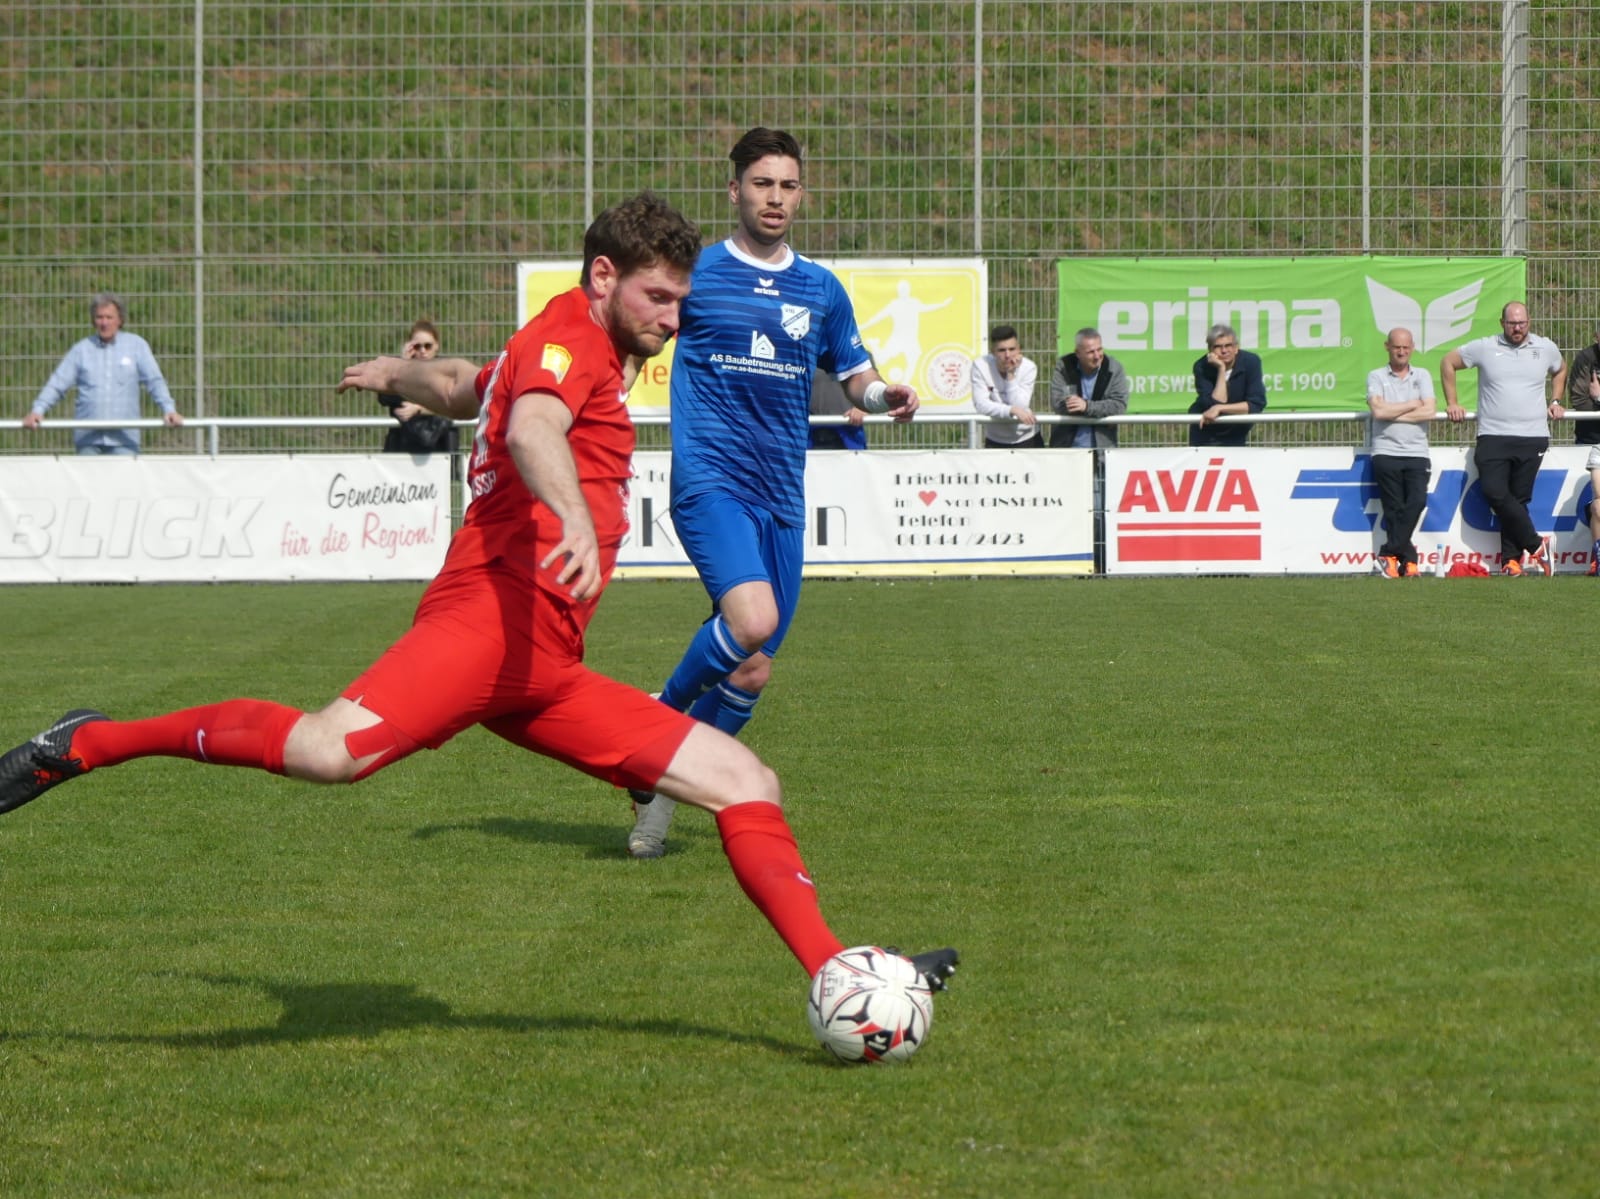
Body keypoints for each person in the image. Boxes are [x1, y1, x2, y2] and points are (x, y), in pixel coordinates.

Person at [0, 192, 958, 1005]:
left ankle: (839, 974)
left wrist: (395, 373)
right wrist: (573, 518)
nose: (674, 317)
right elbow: (535, 424)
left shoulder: (563, 340)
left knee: (746, 783)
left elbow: (469, 384)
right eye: (659, 298)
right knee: (329, 753)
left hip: (544, 669)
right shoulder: (571, 347)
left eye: (680, 299)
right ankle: (84, 742)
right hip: (484, 626)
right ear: (602, 279)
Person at [625, 128, 919, 860]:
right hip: (710, 480)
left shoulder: (820, 288)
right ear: (735, 191)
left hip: (782, 494)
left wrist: (885, 396)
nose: (776, 198)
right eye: (762, 184)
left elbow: (856, 376)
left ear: (801, 192)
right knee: (751, 620)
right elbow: (632, 338)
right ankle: (648, 731)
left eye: (788, 185)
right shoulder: (695, 273)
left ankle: (661, 786)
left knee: (752, 665)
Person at [1442, 301, 1566, 576]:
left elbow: (1560, 369)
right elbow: (1448, 362)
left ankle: (1511, 561)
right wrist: (1452, 402)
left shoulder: (1544, 347)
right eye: (1512, 323)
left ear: (1529, 321)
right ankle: (1537, 545)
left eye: (1521, 322)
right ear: (1502, 323)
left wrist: (1556, 399)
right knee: (1495, 493)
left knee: (1518, 500)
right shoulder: (1485, 347)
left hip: (1532, 436)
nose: (1517, 328)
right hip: (1493, 435)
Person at [24, 291, 183, 454]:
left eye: (109, 317)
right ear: (93, 320)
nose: (104, 322)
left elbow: (154, 381)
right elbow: (57, 383)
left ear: (120, 320)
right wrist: (38, 410)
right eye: (99, 317)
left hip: (124, 440)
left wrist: (168, 409)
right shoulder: (81, 350)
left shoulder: (137, 346)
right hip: (88, 440)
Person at [1365, 327, 1436, 578]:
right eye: (1397, 347)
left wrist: (1394, 411)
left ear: (1413, 348)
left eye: (1406, 347)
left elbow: (1429, 412)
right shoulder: (1376, 376)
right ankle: (1407, 563)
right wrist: (1411, 405)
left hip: (1417, 451)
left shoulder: (1423, 375)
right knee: (1394, 509)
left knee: (1417, 502)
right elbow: (1379, 413)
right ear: (1388, 347)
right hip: (1385, 450)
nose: (1402, 352)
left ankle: (1387, 554)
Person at [379, 319, 455, 454]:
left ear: (436, 346)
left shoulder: (447, 372)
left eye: (428, 346)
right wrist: (403, 364)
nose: (423, 351)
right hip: (404, 447)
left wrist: (419, 408)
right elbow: (384, 397)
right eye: (417, 346)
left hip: (439, 449)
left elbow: (453, 402)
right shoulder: (402, 371)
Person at [1047, 326, 1129, 448]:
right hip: (1066, 448)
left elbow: (1119, 405)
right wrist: (1099, 411)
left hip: (1102, 450)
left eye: (1099, 349)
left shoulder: (1114, 368)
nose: (1097, 356)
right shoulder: (1064, 366)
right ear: (1078, 353)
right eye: (1090, 352)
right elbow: (1058, 403)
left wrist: (1086, 406)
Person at [1188, 323, 1266, 446]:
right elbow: (1216, 402)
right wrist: (1221, 369)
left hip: (1236, 434)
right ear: (1210, 350)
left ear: (1236, 348)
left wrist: (1219, 409)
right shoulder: (1201, 366)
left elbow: (1256, 404)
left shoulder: (1251, 362)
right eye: (1218, 347)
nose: (1224, 351)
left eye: (1228, 345)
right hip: (1205, 435)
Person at [1563, 324, 1600, 574]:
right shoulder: (1586, 358)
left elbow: (1593, 399)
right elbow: (1578, 400)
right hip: (1592, 439)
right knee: (1597, 504)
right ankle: (1597, 558)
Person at [970, 325, 1040, 447]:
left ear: (1019, 349)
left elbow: (1021, 406)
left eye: (1012, 349)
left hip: (1028, 437)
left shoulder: (1029, 367)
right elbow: (981, 405)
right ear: (992, 352)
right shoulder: (980, 366)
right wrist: (1010, 410)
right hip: (995, 439)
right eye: (1001, 350)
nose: (1007, 355)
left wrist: (1010, 374)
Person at [808, 367, 867, 451]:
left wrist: (862, 408)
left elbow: (869, 386)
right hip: (808, 432)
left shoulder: (858, 355)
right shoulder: (801, 356)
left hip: (849, 431)